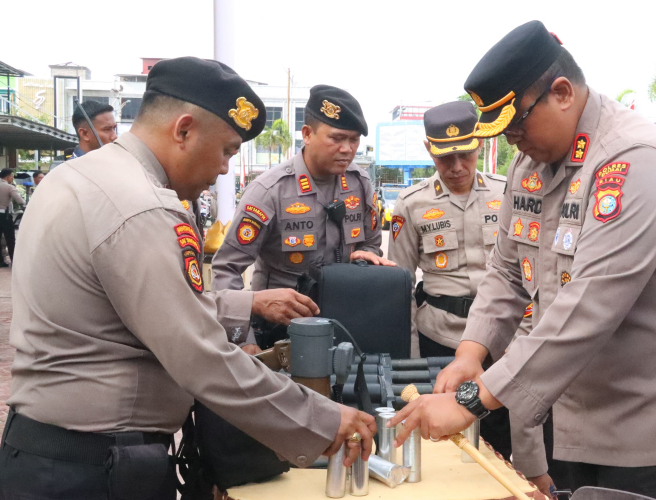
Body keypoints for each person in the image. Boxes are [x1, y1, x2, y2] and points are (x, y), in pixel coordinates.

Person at [390, 21, 656, 500]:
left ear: (561, 92)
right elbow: (506, 272)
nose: (512, 142)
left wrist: (469, 401)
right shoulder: (532, 164)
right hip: (583, 412)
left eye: (517, 124)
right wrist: (470, 352)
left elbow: (590, 304)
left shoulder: (633, 159)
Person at [0, 57, 375, 499]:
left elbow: (133, 305)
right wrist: (322, 418)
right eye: (226, 150)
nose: (222, 169)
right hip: (93, 468)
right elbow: (198, 353)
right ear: (183, 130)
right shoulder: (140, 205)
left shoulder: (81, 177)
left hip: (51, 454)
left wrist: (247, 303)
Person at [387, 101, 553, 492]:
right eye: (446, 157)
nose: (458, 165)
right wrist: (411, 360)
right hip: (441, 339)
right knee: (456, 444)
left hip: (513, 337)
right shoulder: (410, 205)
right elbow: (401, 289)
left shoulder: (509, 191)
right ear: (429, 150)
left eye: (465, 153)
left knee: (523, 422)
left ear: (479, 144)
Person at [212, 84, 393, 351]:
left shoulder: (360, 183)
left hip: (345, 327)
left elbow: (372, 243)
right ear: (307, 134)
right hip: (279, 334)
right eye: (337, 138)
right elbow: (226, 269)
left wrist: (366, 255)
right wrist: (244, 339)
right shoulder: (269, 191)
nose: (347, 149)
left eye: (354, 140)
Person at [0, 168, 26, 267]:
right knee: (10, 239)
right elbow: (19, 200)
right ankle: (14, 260)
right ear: (8, 177)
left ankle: (1, 261)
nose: (12, 178)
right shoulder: (9, 187)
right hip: (5, 216)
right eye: (12, 176)